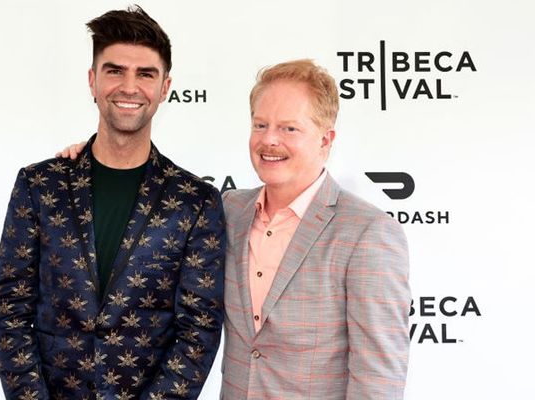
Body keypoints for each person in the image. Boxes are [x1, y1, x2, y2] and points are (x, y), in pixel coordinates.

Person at [60, 59, 411, 399]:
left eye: (289, 128)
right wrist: (97, 163)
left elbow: (378, 379)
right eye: (260, 125)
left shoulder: (368, 234)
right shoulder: (229, 210)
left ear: (325, 139)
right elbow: (158, 207)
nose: (269, 140)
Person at [0, 6, 225, 400]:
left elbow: (198, 331)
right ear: (92, 81)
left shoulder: (194, 202)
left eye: (145, 74)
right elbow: (9, 308)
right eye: (115, 70)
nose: (129, 87)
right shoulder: (39, 185)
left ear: (165, 87)